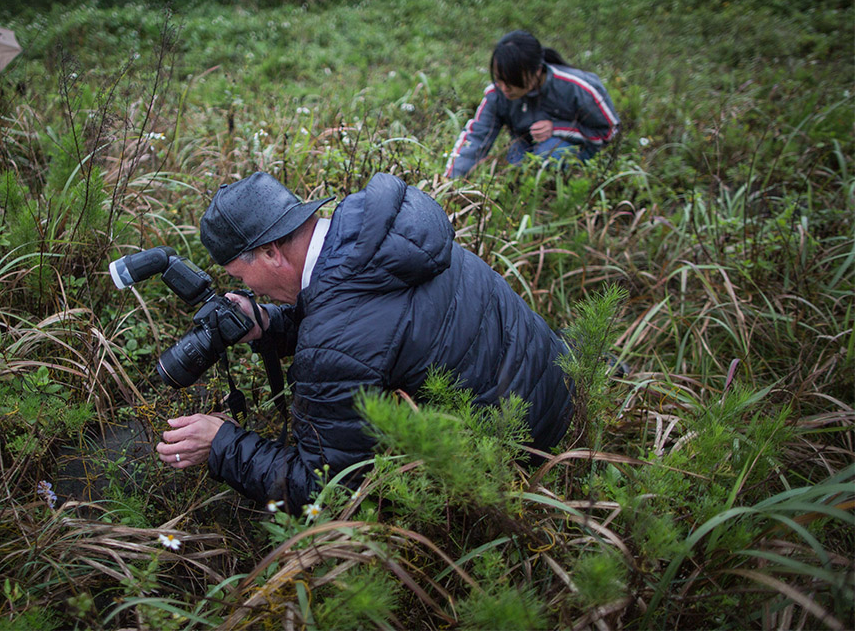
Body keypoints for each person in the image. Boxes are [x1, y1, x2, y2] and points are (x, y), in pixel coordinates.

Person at [155, 171, 574, 512]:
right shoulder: (377, 238)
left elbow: (324, 489)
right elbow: (373, 324)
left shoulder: (335, 339)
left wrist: (222, 443)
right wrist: (269, 323)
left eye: (239, 277)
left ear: (269, 253)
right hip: (563, 385)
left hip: (522, 457)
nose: (248, 289)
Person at [444, 30, 619, 178]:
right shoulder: (496, 94)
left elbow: (610, 131)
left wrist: (558, 129)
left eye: (512, 81)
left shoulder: (578, 87)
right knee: (514, 163)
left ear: (536, 71)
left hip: (576, 152)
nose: (504, 88)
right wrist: (448, 181)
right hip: (526, 148)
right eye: (499, 79)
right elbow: (476, 138)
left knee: (549, 153)